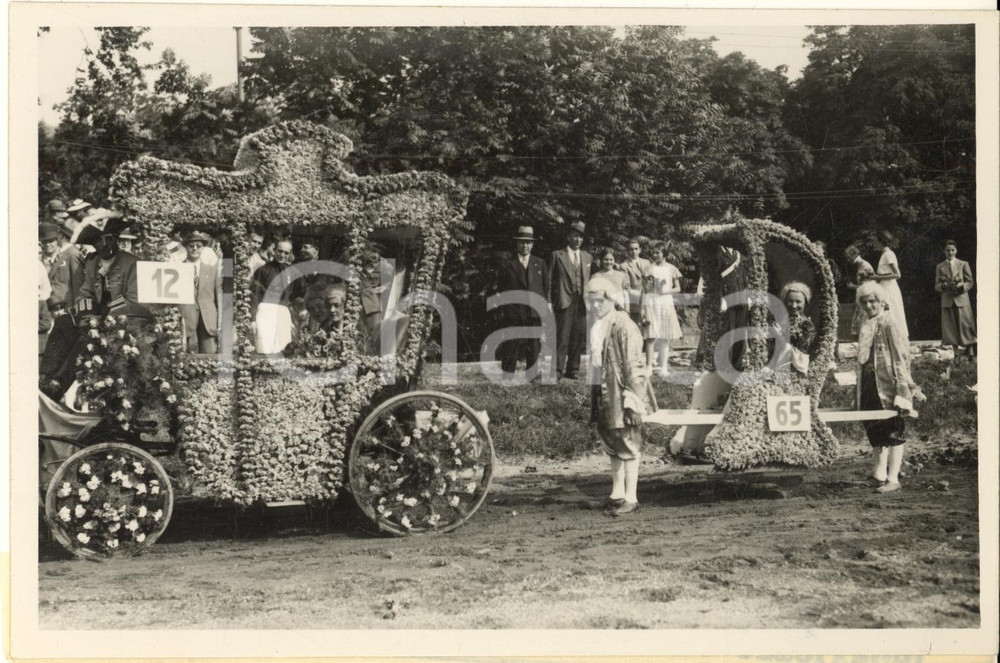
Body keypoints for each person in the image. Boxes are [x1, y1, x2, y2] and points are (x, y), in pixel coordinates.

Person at [586, 277, 657, 517]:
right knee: (611, 442)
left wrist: (632, 402)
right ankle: (617, 494)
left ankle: (631, 497)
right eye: (592, 302)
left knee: (627, 442)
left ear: (610, 300)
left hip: (621, 392)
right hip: (605, 393)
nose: (595, 306)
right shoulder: (598, 326)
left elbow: (634, 366)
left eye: (599, 301)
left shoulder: (624, 326)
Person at [855, 281, 919, 494]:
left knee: (893, 427)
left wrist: (904, 384)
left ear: (881, 302)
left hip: (889, 382)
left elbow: (901, 356)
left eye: (872, 301)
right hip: (869, 383)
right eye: (865, 303)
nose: (869, 306)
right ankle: (879, 475)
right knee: (874, 427)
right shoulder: (866, 324)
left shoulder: (890, 323)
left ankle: (893, 478)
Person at [496, 226, 550, 377]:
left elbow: (546, 288)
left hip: (534, 310)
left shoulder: (540, 263)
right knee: (511, 342)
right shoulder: (507, 264)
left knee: (533, 343)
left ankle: (531, 375)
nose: (525, 246)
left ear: (532, 244)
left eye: (528, 242)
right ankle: (508, 375)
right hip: (513, 310)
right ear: (517, 244)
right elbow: (501, 288)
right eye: (522, 242)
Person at [548, 221, 592, 380]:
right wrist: (548, 301)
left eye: (580, 237)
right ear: (568, 237)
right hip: (563, 300)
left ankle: (573, 369)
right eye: (575, 236)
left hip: (582, 302)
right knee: (562, 337)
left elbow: (593, 280)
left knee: (578, 337)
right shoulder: (557, 255)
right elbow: (549, 280)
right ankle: (557, 370)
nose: (578, 240)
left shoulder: (588, 257)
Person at [640, 242, 682, 378]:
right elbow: (644, 290)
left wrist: (665, 291)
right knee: (650, 335)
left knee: (664, 336)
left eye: (658, 252)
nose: (655, 255)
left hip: (665, 303)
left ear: (664, 254)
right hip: (651, 303)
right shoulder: (648, 268)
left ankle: (663, 367)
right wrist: (642, 308)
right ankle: (649, 367)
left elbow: (678, 288)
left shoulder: (671, 269)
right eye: (654, 252)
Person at [178, 231, 222, 354]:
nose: (195, 249)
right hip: (186, 321)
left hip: (208, 322)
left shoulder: (212, 270)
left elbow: (218, 299)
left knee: (211, 358)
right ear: (186, 247)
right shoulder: (177, 270)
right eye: (191, 245)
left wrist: (220, 323)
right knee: (186, 360)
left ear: (203, 248)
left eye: (198, 246)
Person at [251, 237, 295, 353]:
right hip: (266, 311)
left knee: (283, 349)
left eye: (286, 253)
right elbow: (255, 296)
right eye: (280, 251)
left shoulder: (291, 272)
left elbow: (297, 294)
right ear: (274, 250)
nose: (282, 255)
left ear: (290, 254)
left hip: (283, 312)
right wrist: (253, 319)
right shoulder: (263, 270)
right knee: (264, 349)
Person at [934, 240, 977, 359]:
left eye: (952, 250)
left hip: (962, 299)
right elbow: (936, 285)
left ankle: (971, 353)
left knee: (966, 326)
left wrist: (961, 286)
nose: (950, 252)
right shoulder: (940, 266)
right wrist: (943, 286)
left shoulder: (963, 264)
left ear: (956, 250)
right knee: (950, 327)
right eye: (948, 250)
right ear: (944, 251)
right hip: (947, 300)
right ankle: (956, 354)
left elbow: (970, 282)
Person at [869, 230, 909, 341]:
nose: (874, 244)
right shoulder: (885, 255)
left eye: (876, 241)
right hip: (884, 286)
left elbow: (897, 274)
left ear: (881, 241)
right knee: (885, 314)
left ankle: (896, 340)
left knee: (891, 313)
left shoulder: (888, 254)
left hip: (889, 288)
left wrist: (878, 277)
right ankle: (888, 341)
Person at [39, 222, 85, 310]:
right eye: (44, 241)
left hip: (65, 309)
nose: (48, 244)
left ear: (58, 239)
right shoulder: (39, 258)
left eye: (51, 241)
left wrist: (78, 310)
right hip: (46, 310)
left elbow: (79, 286)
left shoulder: (71, 254)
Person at [774, 281, 816, 375]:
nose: (794, 306)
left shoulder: (807, 326)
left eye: (798, 302)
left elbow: (800, 355)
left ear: (805, 303)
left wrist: (779, 336)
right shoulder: (781, 320)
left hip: (794, 370)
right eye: (790, 301)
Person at [844, 244, 875, 337]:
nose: (848, 260)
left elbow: (869, 286)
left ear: (854, 256)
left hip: (867, 296)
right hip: (862, 296)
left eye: (849, 257)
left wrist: (853, 286)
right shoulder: (860, 265)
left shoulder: (865, 266)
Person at [620, 238, 651, 324]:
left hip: (649, 301)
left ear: (640, 250)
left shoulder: (647, 262)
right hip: (635, 302)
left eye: (636, 249)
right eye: (631, 249)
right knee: (635, 330)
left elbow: (651, 281)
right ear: (627, 251)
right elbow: (627, 287)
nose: (634, 252)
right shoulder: (624, 266)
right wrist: (642, 298)